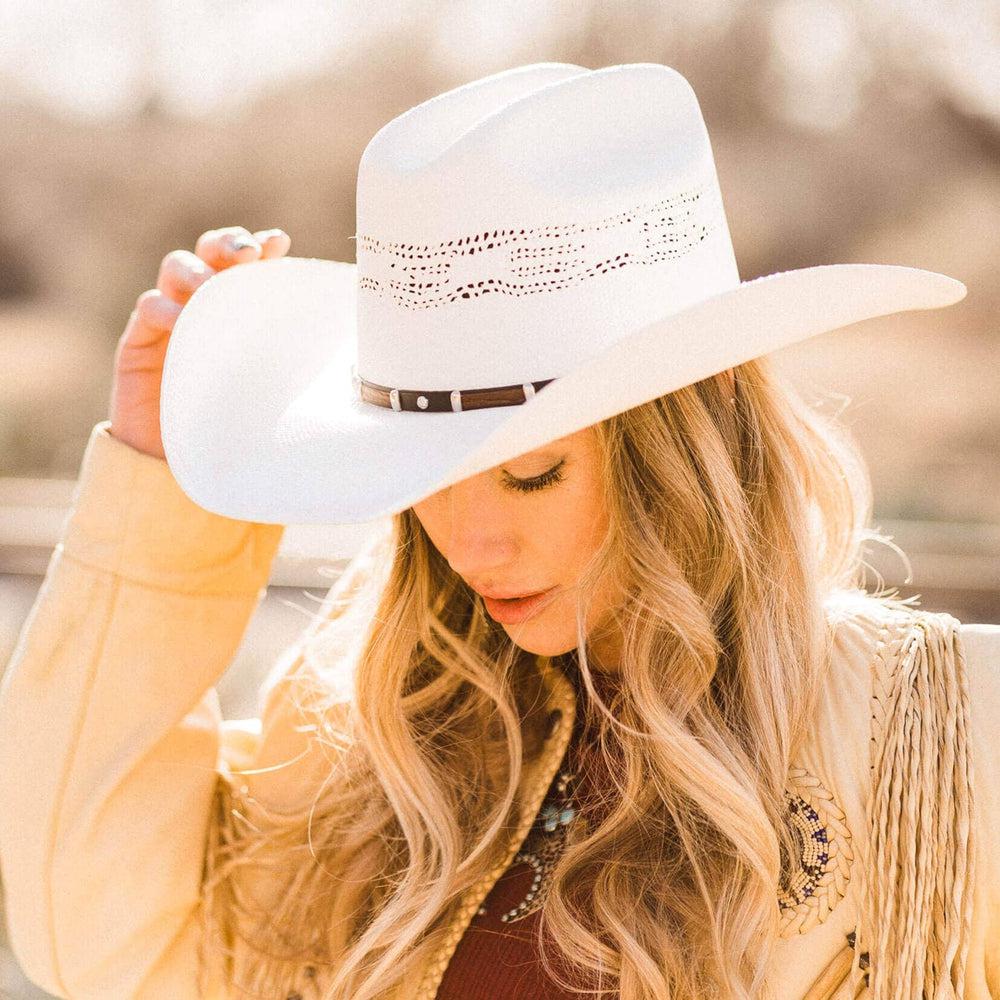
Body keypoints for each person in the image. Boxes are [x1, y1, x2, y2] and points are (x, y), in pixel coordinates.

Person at [0, 62, 997, 1000]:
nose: (469, 544)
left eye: (531, 473)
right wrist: (160, 481)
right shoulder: (373, 725)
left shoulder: (941, 740)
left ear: (683, 446)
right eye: (424, 478)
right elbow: (88, 931)